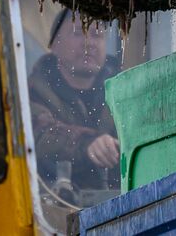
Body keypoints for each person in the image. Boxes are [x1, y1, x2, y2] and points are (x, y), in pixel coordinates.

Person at [28, 10, 121, 194]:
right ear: (54, 44)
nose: (89, 43)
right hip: (56, 210)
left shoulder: (124, 89)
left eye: (97, 35)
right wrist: (87, 144)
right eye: (78, 33)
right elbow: (38, 134)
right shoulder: (32, 93)